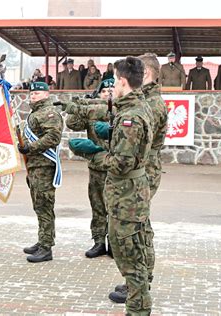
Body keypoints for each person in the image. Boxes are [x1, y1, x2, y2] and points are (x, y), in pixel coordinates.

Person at [72, 56, 153, 315]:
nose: (114, 85)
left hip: (126, 196)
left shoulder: (131, 115)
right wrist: (111, 131)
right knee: (131, 253)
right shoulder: (135, 108)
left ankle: (138, 310)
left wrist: (92, 152)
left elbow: (121, 164)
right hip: (127, 193)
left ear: (122, 81)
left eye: (116, 80)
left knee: (130, 258)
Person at [109, 53, 168, 304]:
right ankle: (139, 280)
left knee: (136, 230)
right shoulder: (147, 100)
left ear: (144, 74)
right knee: (138, 227)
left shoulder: (149, 103)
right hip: (142, 168)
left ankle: (139, 282)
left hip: (142, 171)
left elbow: (135, 144)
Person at [65, 79, 113, 259]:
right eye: (104, 90)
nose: (108, 93)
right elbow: (72, 124)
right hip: (96, 166)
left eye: (111, 89)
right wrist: (80, 104)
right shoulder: (91, 111)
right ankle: (99, 241)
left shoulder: (121, 108)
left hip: (116, 167)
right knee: (97, 205)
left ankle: (113, 243)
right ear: (99, 94)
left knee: (114, 207)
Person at [18, 81, 63, 263]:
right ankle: (42, 239)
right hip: (35, 167)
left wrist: (30, 148)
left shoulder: (49, 113)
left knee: (45, 206)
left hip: (44, 166)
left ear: (46, 94)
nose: (33, 96)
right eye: (31, 93)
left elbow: (53, 137)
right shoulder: (35, 113)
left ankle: (46, 247)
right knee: (38, 205)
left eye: (37, 93)